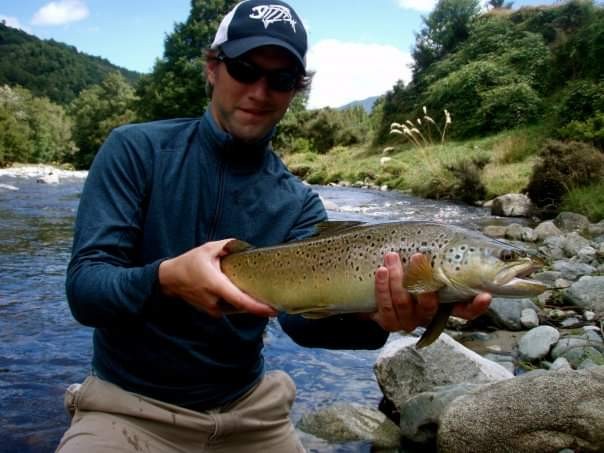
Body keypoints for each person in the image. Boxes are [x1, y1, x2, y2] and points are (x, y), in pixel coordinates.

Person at [56, 1, 491, 451]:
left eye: (281, 80)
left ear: (294, 90)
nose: (260, 92)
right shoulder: (135, 151)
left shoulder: (298, 204)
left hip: (252, 414)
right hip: (128, 409)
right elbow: (86, 290)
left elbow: (303, 326)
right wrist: (166, 279)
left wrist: (375, 316)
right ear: (212, 68)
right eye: (244, 69)